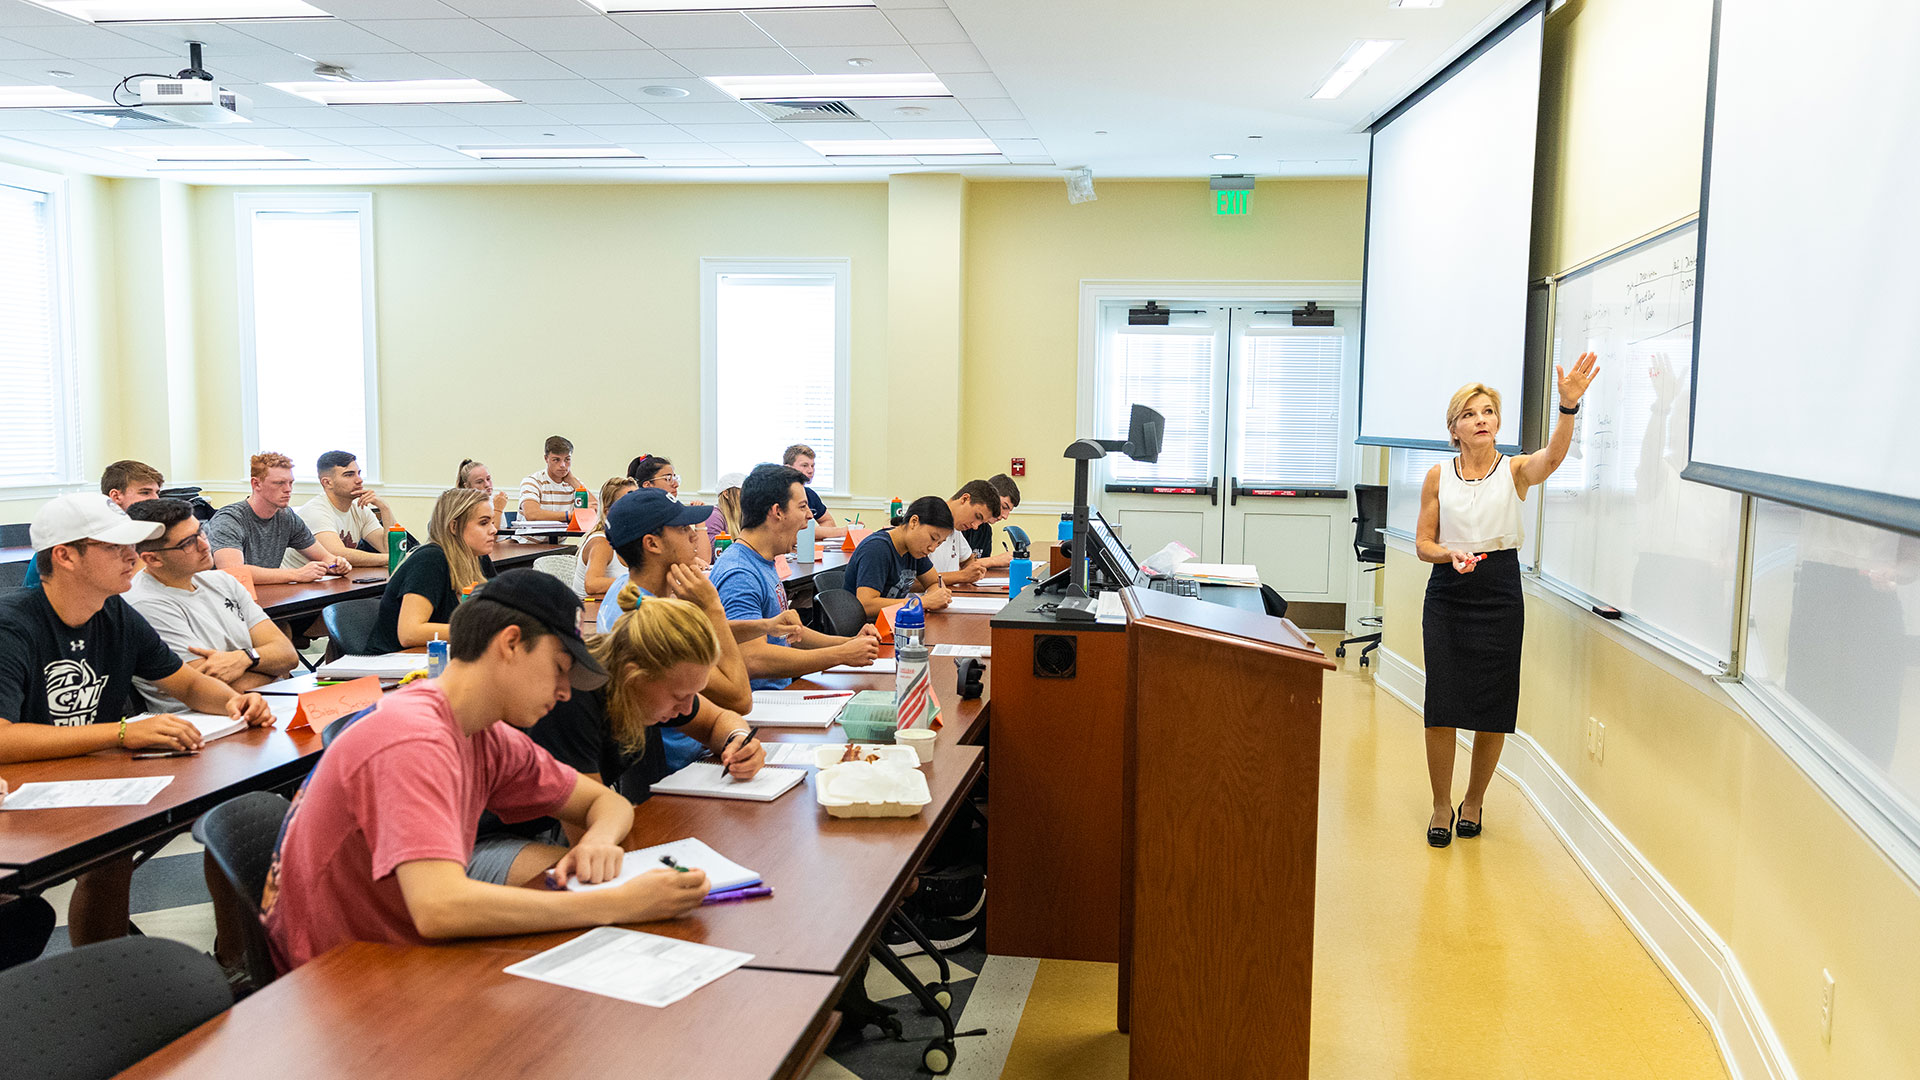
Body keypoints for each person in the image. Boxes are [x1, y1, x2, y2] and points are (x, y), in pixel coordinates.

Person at [260, 569, 710, 973]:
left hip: (398, 958)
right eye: (558, 669)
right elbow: (441, 908)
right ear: (510, 644)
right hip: (341, 980)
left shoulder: (483, 734)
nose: (564, 692)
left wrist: (596, 840)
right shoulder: (413, 738)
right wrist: (613, 904)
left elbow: (605, 802)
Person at [0, 494, 273, 953]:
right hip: (17, 791)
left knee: (112, 857)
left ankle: (102, 976)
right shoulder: (13, 626)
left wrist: (236, 702)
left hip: (86, 774)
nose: (133, 557)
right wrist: (124, 732)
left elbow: (186, 684)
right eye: (115, 547)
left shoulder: (114, 611)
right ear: (65, 556)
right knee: (28, 905)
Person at [1416, 354, 1598, 848]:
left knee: (1491, 702)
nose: (1481, 420)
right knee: (1443, 703)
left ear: (1497, 423)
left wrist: (1567, 409)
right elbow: (1422, 545)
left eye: (1488, 412)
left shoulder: (1513, 470)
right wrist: (1448, 553)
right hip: (1449, 589)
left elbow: (1553, 460)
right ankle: (1440, 804)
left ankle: (1473, 799)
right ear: (1454, 428)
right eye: (1470, 414)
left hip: (1498, 586)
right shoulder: (1438, 476)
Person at [469, 594, 766, 887]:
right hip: (487, 840)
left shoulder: (647, 685)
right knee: (593, 884)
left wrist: (738, 740)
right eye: (679, 697)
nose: (687, 708)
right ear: (633, 676)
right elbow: (587, 830)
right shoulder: (573, 699)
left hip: (554, 828)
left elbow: (718, 720)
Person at [712, 464, 881, 689]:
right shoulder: (740, 574)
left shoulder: (762, 560)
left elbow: (790, 638)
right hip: (762, 707)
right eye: (802, 507)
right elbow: (753, 659)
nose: (810, 516)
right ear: (777, 511)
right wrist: (840, 654)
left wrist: (851, 643)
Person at [125, 499, 300, 708]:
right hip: (200, 722)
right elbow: (209, 689)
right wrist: (271, 671)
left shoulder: (222, 581)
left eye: (201, 531)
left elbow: (287, 655)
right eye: (188, 543)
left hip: (265, 705)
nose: (204, 545)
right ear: (153, 559)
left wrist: (245, 658)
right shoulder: (144, 604)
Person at [368, 488, 499, 653]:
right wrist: (477, 631)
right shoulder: (430, 560)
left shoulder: (479, 557)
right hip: (395, 664)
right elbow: (409, 632)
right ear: (454, 526)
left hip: (442, 656)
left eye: (492, 522)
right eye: (484, 523)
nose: (493, 530)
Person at [20, 460, 166, 591]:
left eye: (157, 492)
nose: (155, 499)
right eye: (145, 492)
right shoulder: (89, 528)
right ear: (116, 496)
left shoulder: (136, 530)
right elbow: (132, 589)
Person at [208, 452, 351, 585]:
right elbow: (234, 573)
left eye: (290, 483)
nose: (288, 489)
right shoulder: (229, 519)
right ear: (256, 484)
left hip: (265, 596)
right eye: (279, 483)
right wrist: (296, 574)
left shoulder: (286, 516)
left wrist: (337, 564)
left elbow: (325, 557)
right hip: (224, 602)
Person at [843, 496, 957, 619]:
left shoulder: (914, 550)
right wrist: (922, 602)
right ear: (914, 522)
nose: (932, 548)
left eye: (939, 543)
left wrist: (937, 596)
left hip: (895, 624)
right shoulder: (877, 548)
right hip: (865, 631)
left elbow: (934, 582)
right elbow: (866, 605)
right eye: (933, 538)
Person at [289, 450, 400, 570]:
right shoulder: (315, 511)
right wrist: (391, 558)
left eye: (359, 473)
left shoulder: (360, 509)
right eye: (349, 475)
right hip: (297, 584)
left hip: (332, 580)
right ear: (327, 483)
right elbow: (336, 554)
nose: (359, 480)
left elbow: (387, 549)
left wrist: (385, 508)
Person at [926, 480, 1003, 583]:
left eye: (981, 522)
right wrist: (961, 576)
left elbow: (968, 559)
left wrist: (973, 571)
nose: (975, 526)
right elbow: (914, 582)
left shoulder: (956, 527)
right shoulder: (926, 521)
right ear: (964, 499)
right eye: (977, 516)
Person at [572, 477, 636, 598]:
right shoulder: (601, 542)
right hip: (591, 613)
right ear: (608, 512)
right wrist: (638, 582)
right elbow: (592, 584)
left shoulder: (634, 539)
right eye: (627, 503)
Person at [519, 436, 591, 523]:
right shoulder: (532, 481)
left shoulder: (574, 484)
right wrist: (569, 516)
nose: (563, 465)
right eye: (556, 460)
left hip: (560, 536)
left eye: (567, 459)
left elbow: (595, 509)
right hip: (528, 536)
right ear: (546, 459)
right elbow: (532, 514)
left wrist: (573, 481)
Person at [782, 444, 848, 538]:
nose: (810, 470)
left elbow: (827, 521)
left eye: (812, 466)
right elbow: (800, 529)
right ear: (788, 468)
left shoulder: (810, 494)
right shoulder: (781, 494)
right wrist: (842, 531)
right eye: (804, 465)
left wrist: (817, 539)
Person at [961, 474, 1022, 568]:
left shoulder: (986, 530)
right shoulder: (960, 525)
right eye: (1004, 507)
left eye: (1009, 511)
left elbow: (981, 566)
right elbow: (955, 567)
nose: (1005, 516)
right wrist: (994, 561)